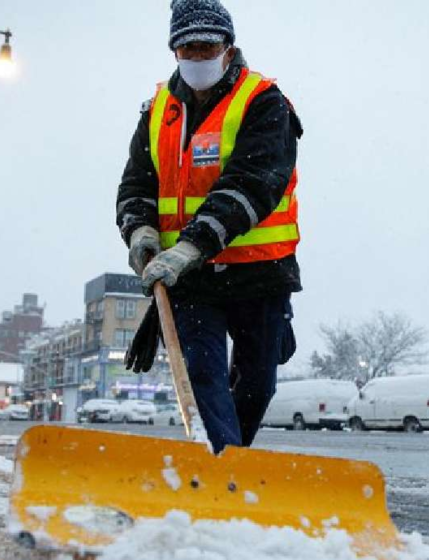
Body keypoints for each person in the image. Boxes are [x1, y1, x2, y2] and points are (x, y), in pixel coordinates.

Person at [116, 0, 302, 453]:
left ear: (228, 47)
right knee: (202, 379)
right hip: (190, 280)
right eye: (187, 49)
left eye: (206, 47)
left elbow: (252, 185)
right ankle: (223, 475)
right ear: (174, 52)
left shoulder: (263, 103)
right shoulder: (158, 109)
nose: (198, 57)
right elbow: (137, 182)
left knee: (257, 386)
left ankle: (225, 466)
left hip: (258, 271)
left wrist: (192, 244)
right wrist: (139, 230)